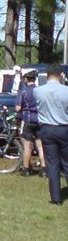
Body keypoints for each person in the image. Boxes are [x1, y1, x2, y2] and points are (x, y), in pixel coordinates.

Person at [34, 66, 68, 205]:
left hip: (47, 128)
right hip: (64, 127)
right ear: (61, 74)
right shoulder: (66, 90)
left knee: (52, 163)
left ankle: (56, 198)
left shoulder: (38, 91)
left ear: (47, 75)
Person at [16, 70, 45, 177]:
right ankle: (44, 170)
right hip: (40, 120)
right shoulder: (41, 91)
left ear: (26, 79)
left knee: (27, 145)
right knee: (40, 146)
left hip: (28, 120)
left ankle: (26, 169)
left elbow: (18, 108)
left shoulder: (23, 92)